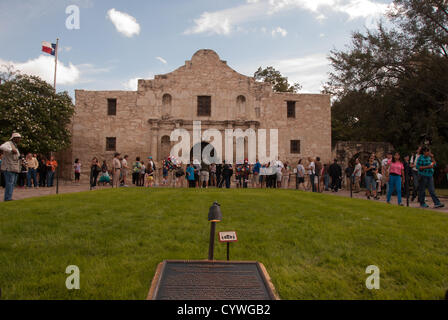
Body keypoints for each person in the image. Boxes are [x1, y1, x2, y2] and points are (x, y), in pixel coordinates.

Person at [0, 133, 22, 201]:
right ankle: (7, 198)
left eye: (19, 138)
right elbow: (1, 147)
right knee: (9, 183)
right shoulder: (8, 143)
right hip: (9, 167)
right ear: (13, 138)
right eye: (17, 138)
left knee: (13, 184)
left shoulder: (15, 146)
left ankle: (9, 197)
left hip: (14, 167)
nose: (19, 139)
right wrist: (11, 150)